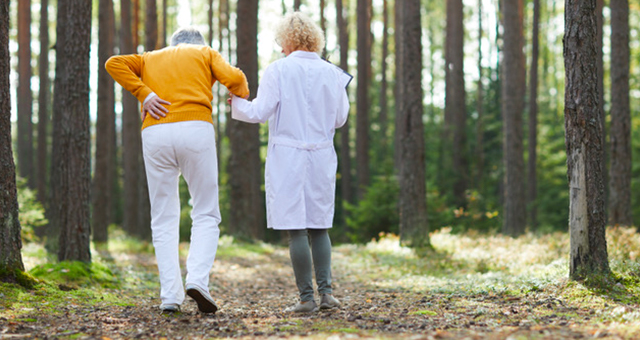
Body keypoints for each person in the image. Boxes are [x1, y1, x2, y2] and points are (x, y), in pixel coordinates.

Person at [106, 28, 249, 313]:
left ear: (172, 45)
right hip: (196, 128)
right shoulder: (204, 52)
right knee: (206, 211)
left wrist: (144, 94)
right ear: (199, 44)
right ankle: (197, 281)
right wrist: (241, 89)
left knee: (163, 216)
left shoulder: (149, 57)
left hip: (155, 131)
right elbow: (235, 80)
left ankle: (170, 296)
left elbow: (113, 63)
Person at [230, 12, 350, 313]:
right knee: (320, 226)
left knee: (296, 228)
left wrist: (236, 103)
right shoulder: (333, 73)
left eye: (280, 42)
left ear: (287, 39)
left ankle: (306, 299)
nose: (280, 48)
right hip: (321, 153)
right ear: (314, 38)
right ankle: (327, 295)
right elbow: (340, 119)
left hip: (289, 155)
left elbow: (259, 112)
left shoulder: (278, 70)